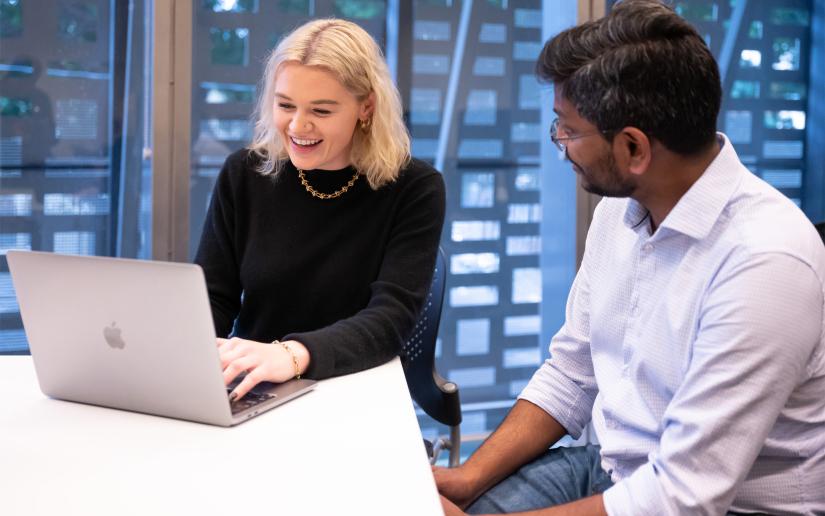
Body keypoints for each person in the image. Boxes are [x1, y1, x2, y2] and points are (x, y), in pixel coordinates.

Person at [434, 1, 825, 515]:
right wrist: (465, 480)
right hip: (617, 469)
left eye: (568, 130)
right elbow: (573, 372)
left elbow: (683, 497)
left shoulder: (766, 261)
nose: (561, 144)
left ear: (634, 149)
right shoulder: (621, 213)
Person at [194, 19, 445, 402]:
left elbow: (390, 320)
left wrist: (292, 355)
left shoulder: (414, 187)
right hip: (255, 383)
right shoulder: (244, 174)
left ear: (366, 108)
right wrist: (187, 361)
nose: (297, 125)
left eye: (321, 111)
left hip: (355, 387)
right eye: (285, 105)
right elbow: (213, 298)